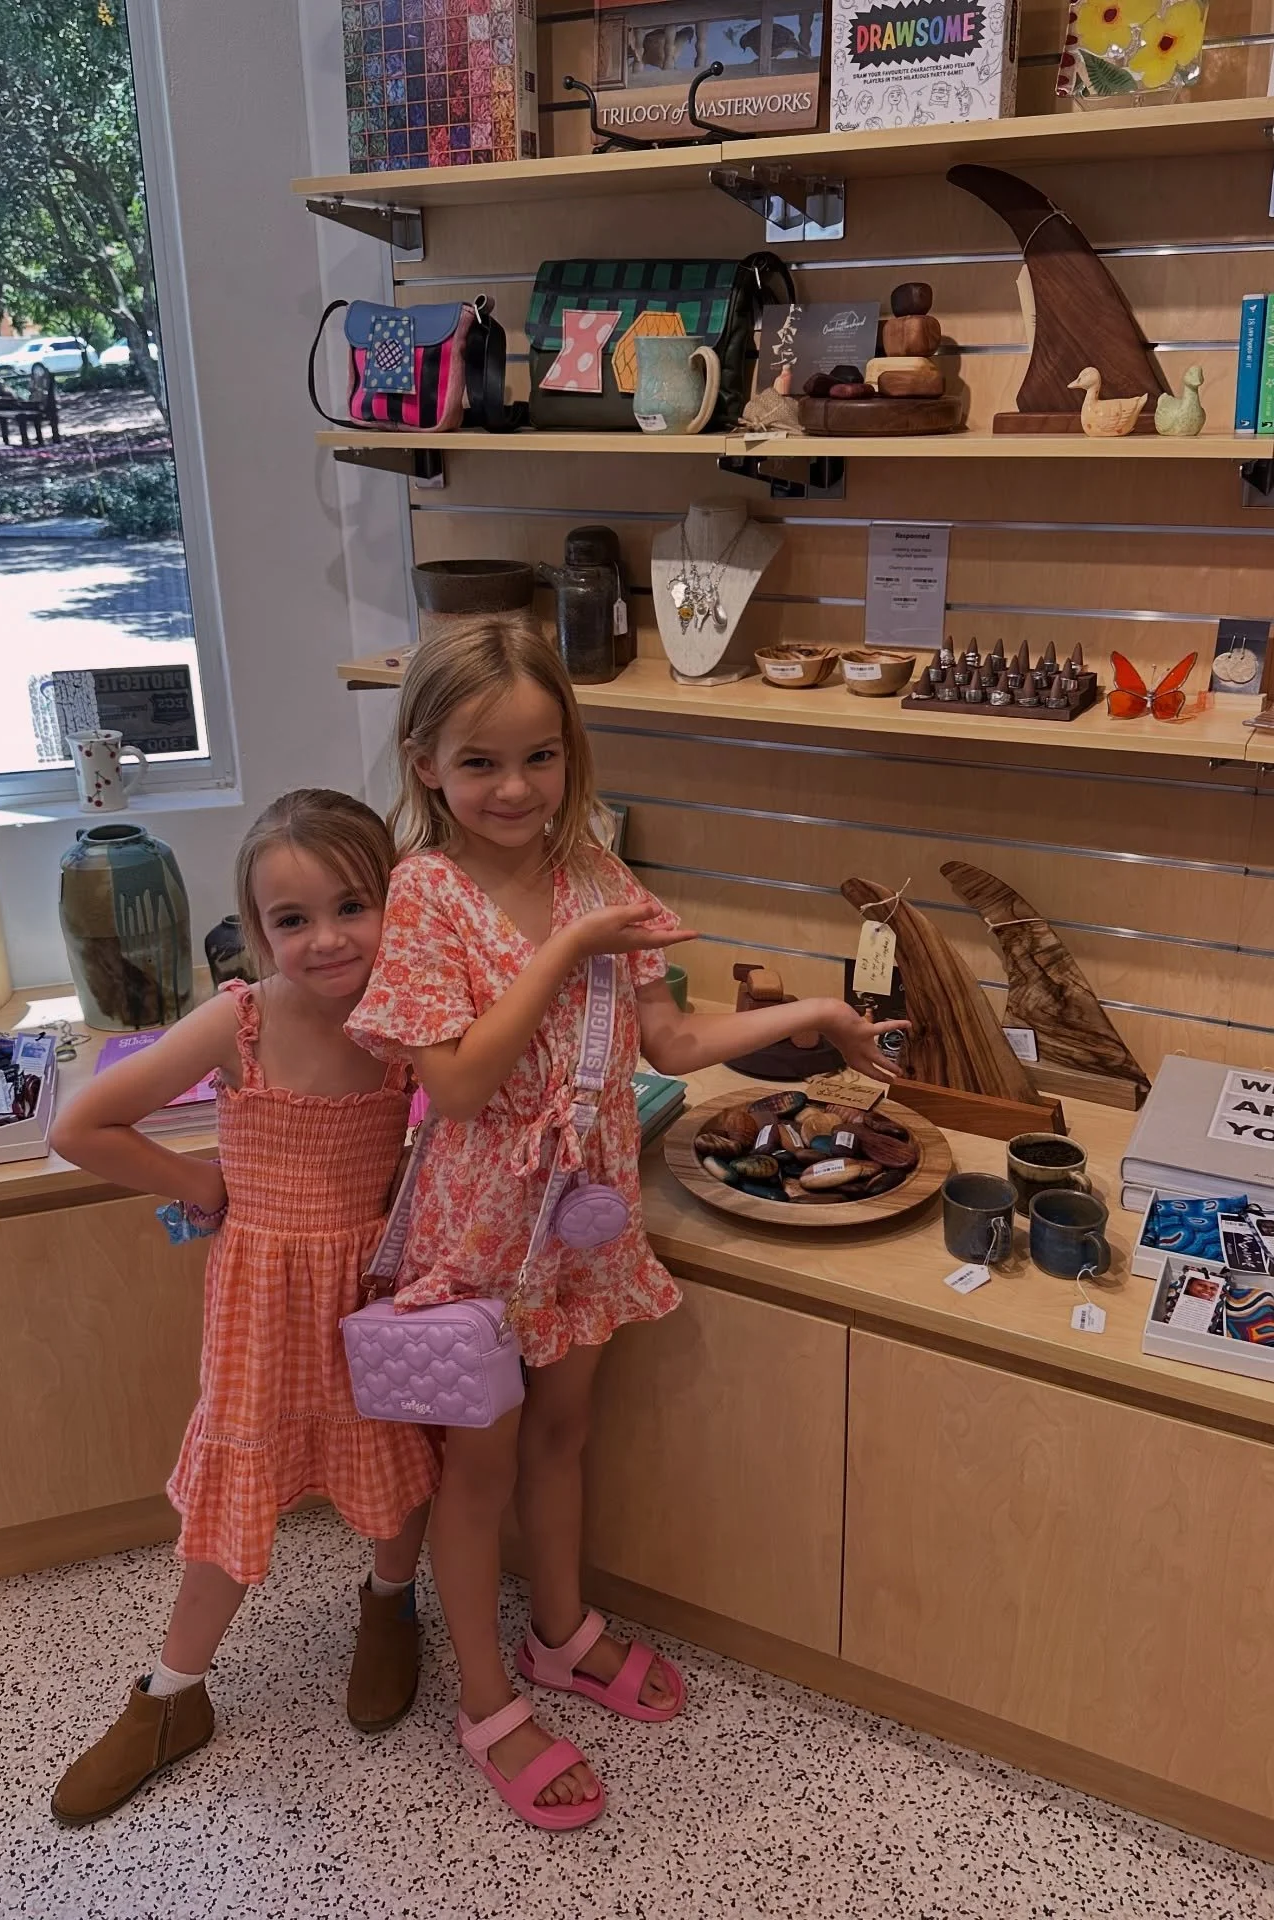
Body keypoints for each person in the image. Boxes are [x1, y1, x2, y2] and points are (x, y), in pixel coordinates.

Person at [348, 617, 909, 1830]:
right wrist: (562, 955)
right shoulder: (424, 894)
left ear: (572, 754)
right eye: (481, 761)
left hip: (583, 1231)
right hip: (479, 1239)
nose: (515, 788)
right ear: (424, 764)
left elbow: (675, 1043)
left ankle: (560, 1633)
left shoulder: (596, 876)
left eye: (540, 757)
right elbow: (451, 1085)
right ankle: (487, 1698)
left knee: (566, 1436)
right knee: (478, 1471)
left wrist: (814, 1007)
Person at [49, 790, 440, 1827]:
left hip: (374, 1292)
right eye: (292, 919)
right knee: (237, 1489)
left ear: (396, 901)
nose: (326, 939)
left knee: (393, 1459)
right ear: (258, 929)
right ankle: (172, 1695)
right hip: (261, 1303)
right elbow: (85, 1125)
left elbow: (454, 1120)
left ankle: (392, 1602)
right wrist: (203, 1186)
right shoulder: (242, 1019)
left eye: (352, 905)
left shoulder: (408, 1017)